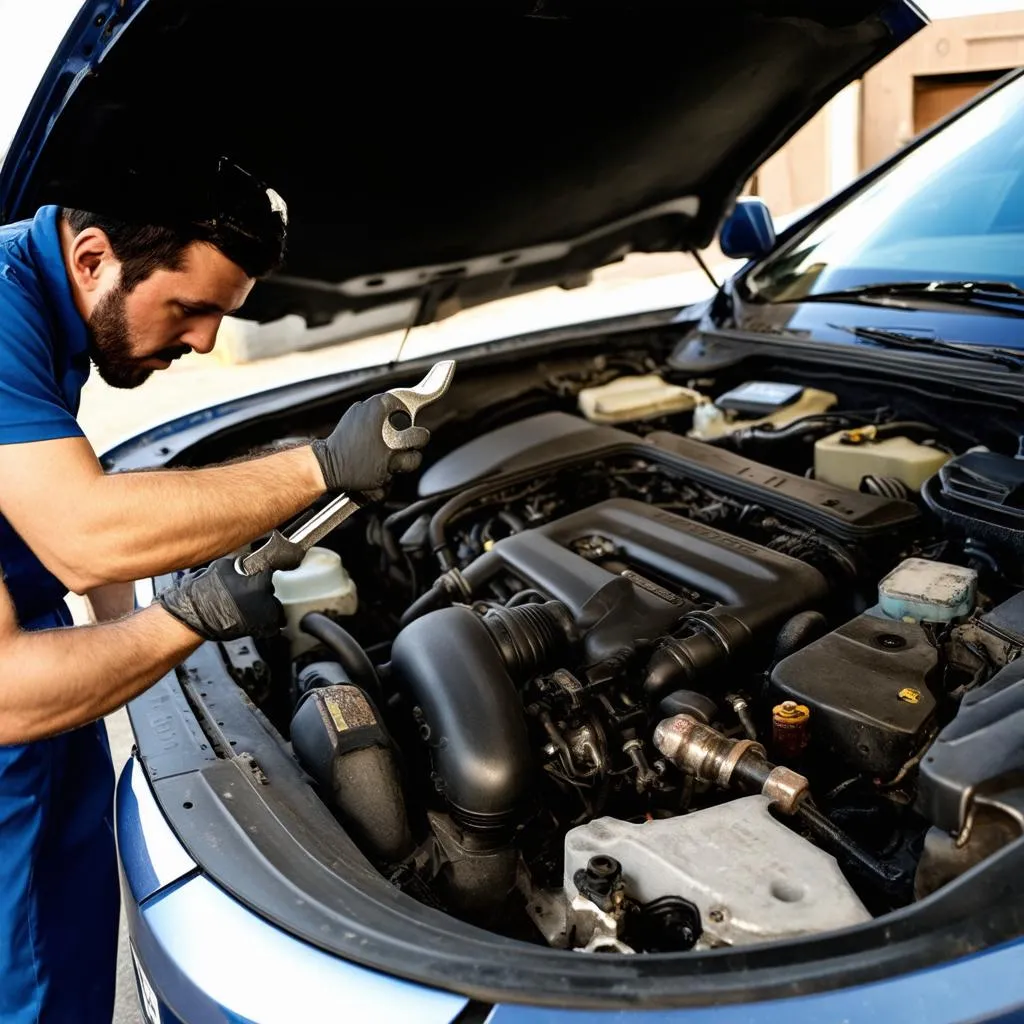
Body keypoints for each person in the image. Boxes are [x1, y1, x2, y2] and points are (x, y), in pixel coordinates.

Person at [0, 158, 430, 1023]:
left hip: (38, 661)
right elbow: (78, 547)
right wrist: (319, 468)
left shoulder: (49, 297)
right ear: (93, 259)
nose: (202, 342)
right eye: (190, 308)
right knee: (28, 984)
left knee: (72, 945)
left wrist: (128, 629)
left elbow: (60, 500)